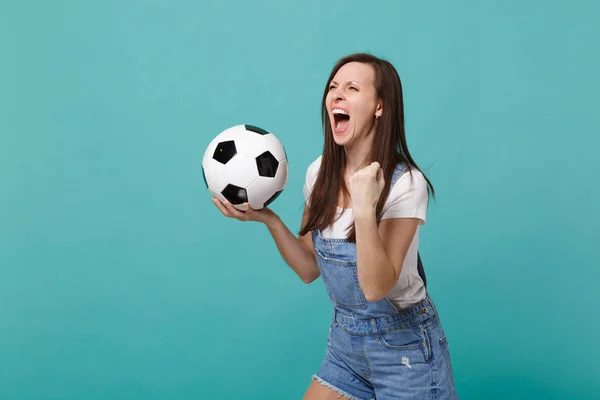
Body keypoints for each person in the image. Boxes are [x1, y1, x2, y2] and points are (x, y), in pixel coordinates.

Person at [212, 53, 458, 400]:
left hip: (406, 353)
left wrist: (363, 205)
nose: (337, 95)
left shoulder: (406, 183)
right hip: (347, 345)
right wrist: (268, 219)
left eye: (352, 88)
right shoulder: (320, 173)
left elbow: (375, 287)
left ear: (379, 107)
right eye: (333, 87)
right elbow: (309, 268)